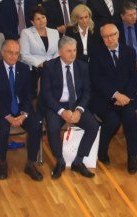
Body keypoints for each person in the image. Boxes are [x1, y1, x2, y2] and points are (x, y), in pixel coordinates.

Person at [39, 36, 98, 178]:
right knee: (53, 128)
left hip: (76, 105)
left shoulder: (82, 66)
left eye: (74, 50)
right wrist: (61, 111)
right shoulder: (49, 67)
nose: (73, 54)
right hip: (56, 105)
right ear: (60, 52)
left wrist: (79, 110)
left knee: (93, 126)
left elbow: (87, 92)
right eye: (68, 51)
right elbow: (46, 94)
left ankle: (78, 161)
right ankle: (60, 161)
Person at [0, 40, 43, 181]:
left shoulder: (24, 69)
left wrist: (24, 114)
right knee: (3, 130)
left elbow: (29, 94)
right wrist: (8, 116)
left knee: (36, 125)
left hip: (21, 109)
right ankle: (3, 162)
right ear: (3, 53)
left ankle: (30, 163)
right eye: (10, 53)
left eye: (17, 53)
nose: (13, 56)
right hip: (0, 110)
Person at [90, 24, 137, 174]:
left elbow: (133, 77)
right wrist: (116, 95)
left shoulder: (129, 52)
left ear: (118, 34)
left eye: (112, 35)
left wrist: (127, 97)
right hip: (104, 98)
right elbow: (96, 80)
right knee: (113, 121)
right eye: (105, 37)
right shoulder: (96, 54)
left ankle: (132, 156)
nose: (109, 39)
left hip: (126, 98)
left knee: (130, 117)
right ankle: (102, 150)